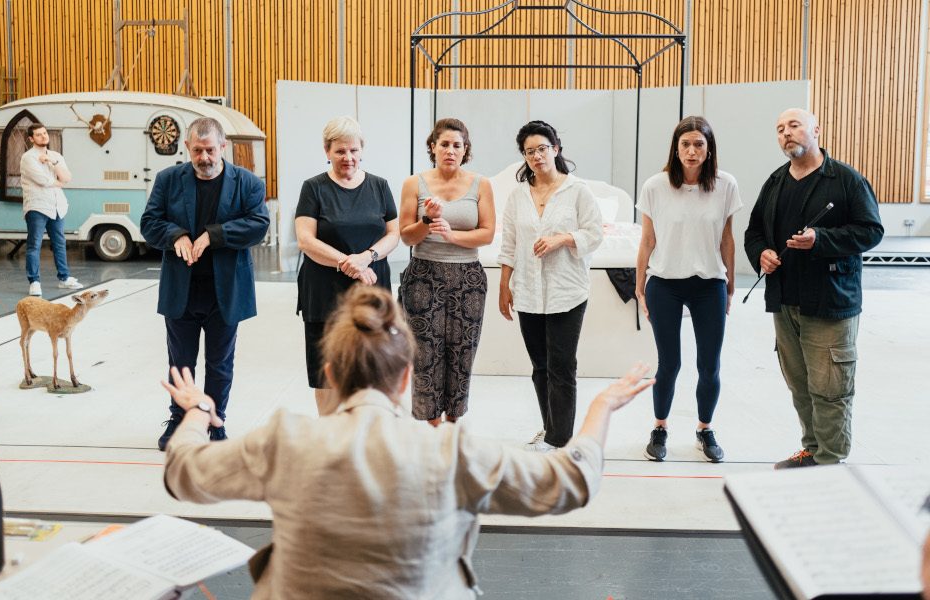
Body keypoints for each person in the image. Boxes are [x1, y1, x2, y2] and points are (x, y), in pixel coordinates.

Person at [162, 285, 654, 598]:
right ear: (405, 379)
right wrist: (601, 407)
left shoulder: (284, 439)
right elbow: (574, 481)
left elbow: (182, 472)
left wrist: (198, 411)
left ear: (331, 375)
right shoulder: (451, 450)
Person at [744, 108, 883, 469]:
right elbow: (754, 232)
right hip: (785, 300)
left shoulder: (847, 180)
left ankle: (830, 461)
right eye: (779, 129)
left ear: (816, 130)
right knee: (801, 385)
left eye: (794, 126)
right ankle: (812, 449)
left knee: (831, 388)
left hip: (829, 301)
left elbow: (871, 231)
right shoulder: (775, 182)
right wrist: (763, 254)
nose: (786, 133)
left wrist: (821, 239)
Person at [141, 117, 269, 451]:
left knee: (220, 363)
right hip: (182, 289)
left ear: (223, 147)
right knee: (180, 362)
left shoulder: (248, 183)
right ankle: (180, 419)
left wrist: (214, 236)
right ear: (187, 148)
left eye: (210, 150)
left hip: (225, 291)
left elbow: (258, 225)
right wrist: (176, 235)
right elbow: (149, 223)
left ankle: (216, 420)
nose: (205, 158)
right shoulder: (169, 180)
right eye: (197, 151)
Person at [635, 116, 742, 463]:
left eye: (699, 144)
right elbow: (647, 239)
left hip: (708, 284)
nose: (692, 151)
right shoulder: (656, 185)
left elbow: (727, 238)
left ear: (709, 148)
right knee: (669, 363)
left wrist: (729, 285)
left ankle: (704, 430)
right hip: (664, 284)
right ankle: (660, 428)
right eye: (685, 145)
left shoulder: (725, 185)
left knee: (709, 364)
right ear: (675, 148)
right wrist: (639, 285)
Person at [498, 120, 603, 452]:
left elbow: (595, 232)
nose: (536, 156)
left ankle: (561, 439)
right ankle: (550, 428)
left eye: (542, 148)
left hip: (566, 292)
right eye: (529, 152)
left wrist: (563, 238)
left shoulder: (577, 190)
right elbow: (510, 242)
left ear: (556, 149)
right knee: (540, 367)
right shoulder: (518, 196)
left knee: (561, 366)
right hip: (528, 292)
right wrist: (505, 285)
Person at [295, 116, 399, 416]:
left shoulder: (379, 186)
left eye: (354, 150)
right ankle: (329, 436)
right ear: (327, 151)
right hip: (324, 292)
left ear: (362, 149)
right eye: (340, 151)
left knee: (370, 365)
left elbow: (394, 233)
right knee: (325, 370)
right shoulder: (313, 188)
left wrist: (367, 256)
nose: (348, 158)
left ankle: (366, 434)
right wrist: (346, 262)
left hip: (371, 290)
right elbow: (305, 240)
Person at [398, 118, 494, 426]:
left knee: (462, 351)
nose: (450, 150)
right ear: (432, 147)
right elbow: (406, 237)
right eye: (444, 144)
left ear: (466, 150)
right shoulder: (415, 184)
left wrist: (453, 236)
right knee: (425, 352)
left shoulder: (481, 184)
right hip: (423, 275)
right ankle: (432, 423)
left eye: (457, 145)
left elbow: (487, 233)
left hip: (468, 277)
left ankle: (453, 419)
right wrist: (427, 221)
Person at [20, 123, 83, 296]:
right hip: (37, 206)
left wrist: (51, 161)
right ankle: (34, 281)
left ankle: (64, 278)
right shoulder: (28, 158)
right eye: (38, 135)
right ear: (31, 139)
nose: (43, 136)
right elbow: (42, 180)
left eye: (45, 133)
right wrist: (59, 182)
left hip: (57, 207)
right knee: (35, 244)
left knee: (60, 243)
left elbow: (67, 178)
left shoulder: (56, 156)